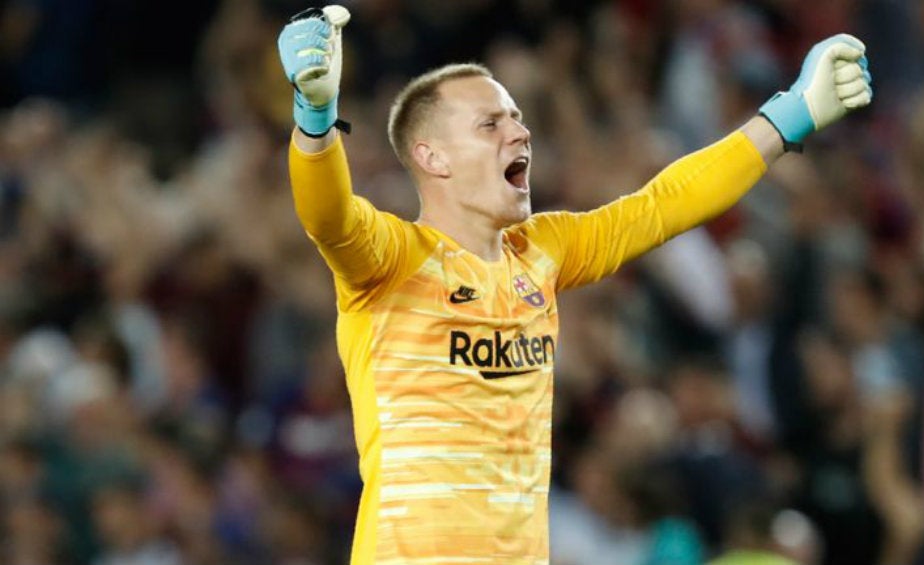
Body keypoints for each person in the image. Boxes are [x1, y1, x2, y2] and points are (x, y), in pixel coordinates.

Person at [276, 5, 872, 565]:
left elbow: (662, 206)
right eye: (491, 123)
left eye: (517, 117)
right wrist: (316, 118)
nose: (520, 133)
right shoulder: (393, 259)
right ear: (433, 158)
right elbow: (328, 216)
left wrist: (788, 115)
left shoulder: (544, 252)